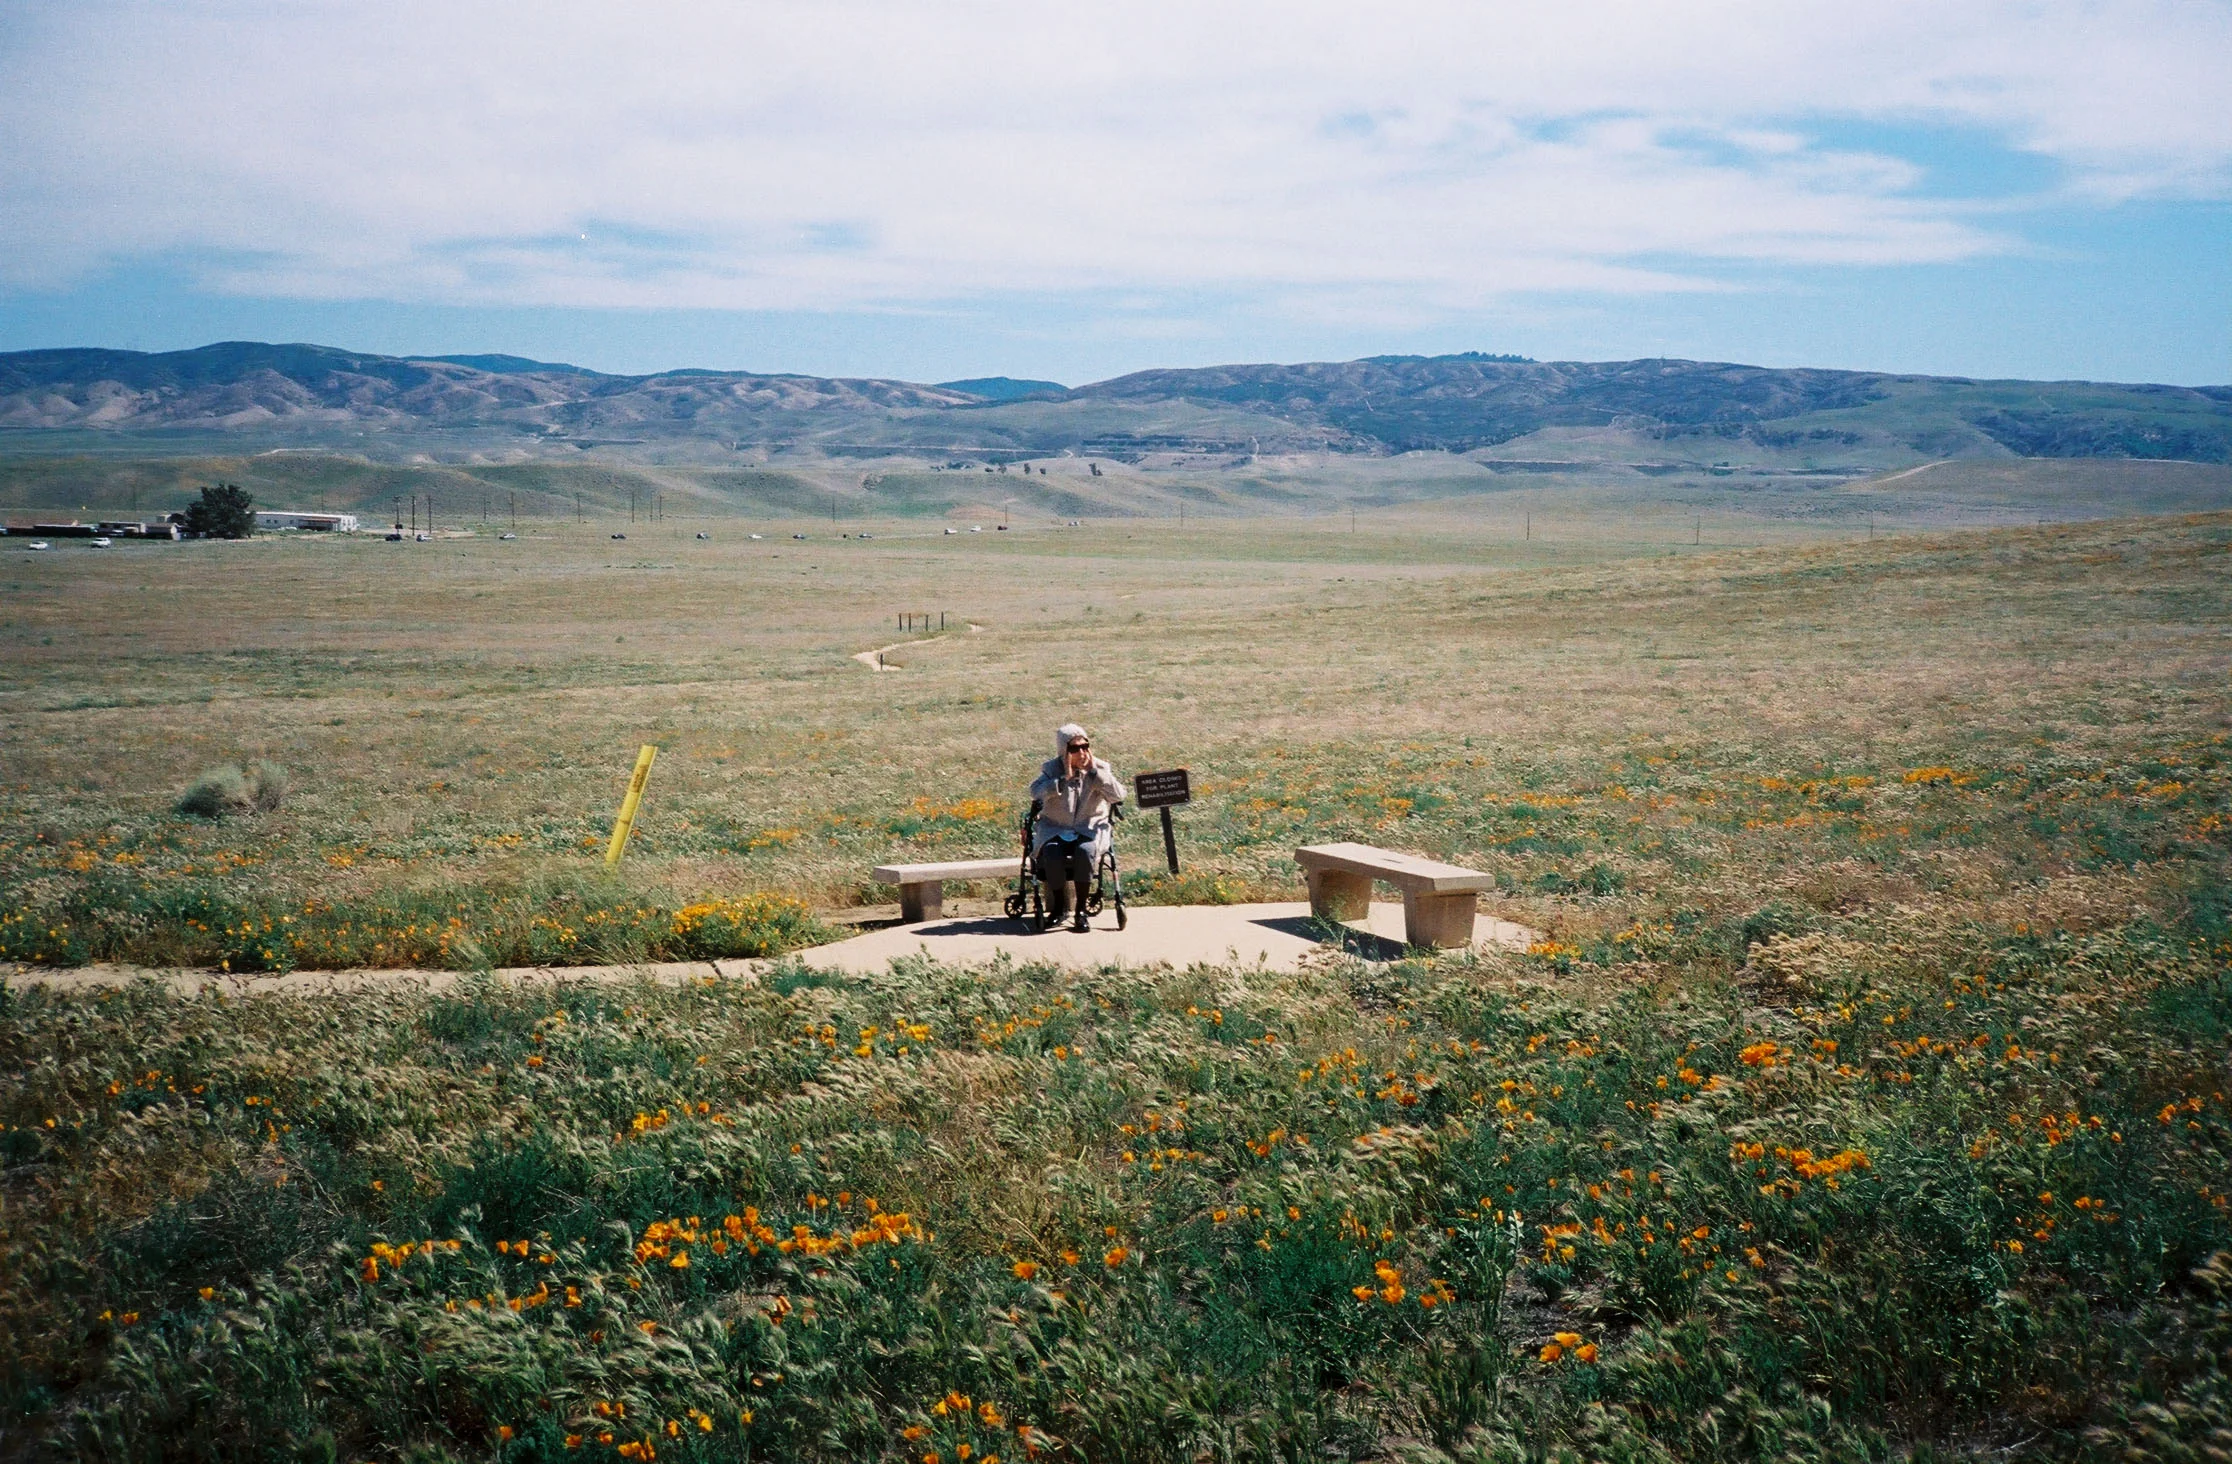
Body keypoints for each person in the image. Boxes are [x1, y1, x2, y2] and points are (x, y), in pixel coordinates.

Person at [1029, 723, 1125, 932]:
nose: (1081, 752)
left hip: (1089, 827)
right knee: (1052, 852)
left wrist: (1094, 775)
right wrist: (1062, 781)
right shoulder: (1051, 768)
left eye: (1085, 746)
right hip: (1055, 827)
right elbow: (1034, 792)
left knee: (1086, 851)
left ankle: (1081, 910)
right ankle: (1059, 909)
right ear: (1064, 751)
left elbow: (1118, 795)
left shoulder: (1100, 767)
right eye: (1074, 749)